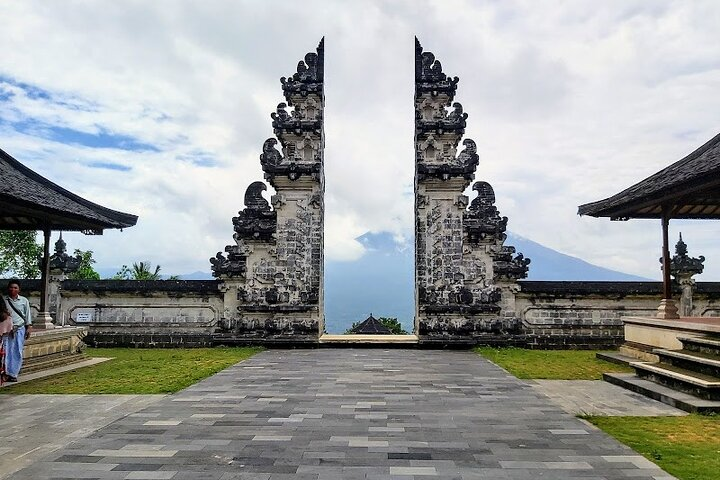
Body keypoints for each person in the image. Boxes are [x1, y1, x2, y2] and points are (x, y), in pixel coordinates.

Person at [2, 279, 32, 382]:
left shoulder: (24, 301)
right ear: (8, 288)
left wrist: (29, 327)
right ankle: (5, 372)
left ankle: (13, 373)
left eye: (15, 288)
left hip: (19, 329)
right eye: (11, 287)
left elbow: (27, 314)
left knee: (17, 351)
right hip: (7, 329)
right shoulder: (4, 300)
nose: (13, 289)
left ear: (19, 290)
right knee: (5, 351)